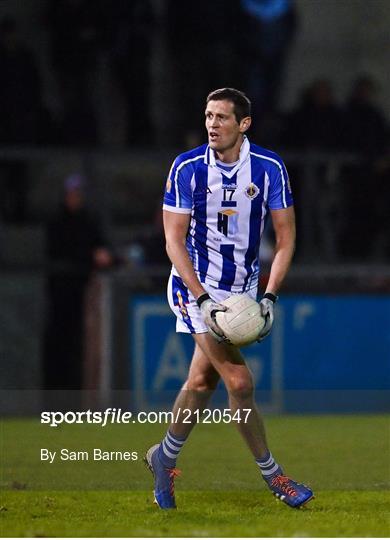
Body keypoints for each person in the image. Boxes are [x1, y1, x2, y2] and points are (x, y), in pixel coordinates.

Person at [145, 88, 313, 509]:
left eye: (221, 117)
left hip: (243, 291)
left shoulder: (269, 168)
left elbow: (287, 238)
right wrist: (201, 299)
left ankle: (163, 457)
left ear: (244, 124)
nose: (212, 125)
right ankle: (276, 478)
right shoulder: (186, 168)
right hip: (193, 287)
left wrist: (270, 296)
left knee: (201, 382)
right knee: (239, 382)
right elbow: (173, 240)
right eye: (208, 116)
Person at [43, 173, 113, 396]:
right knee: (58, 345)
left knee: (80, 348)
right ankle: (53, 396)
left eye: (78, 193)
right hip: (59, 295)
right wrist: (88, 256)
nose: (75, 197)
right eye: (72, 193)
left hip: (84, 295)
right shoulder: (56, 222)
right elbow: (58, 254)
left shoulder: (89, 221)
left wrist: (102, 255)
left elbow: (103, 249)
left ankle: (77, 398)